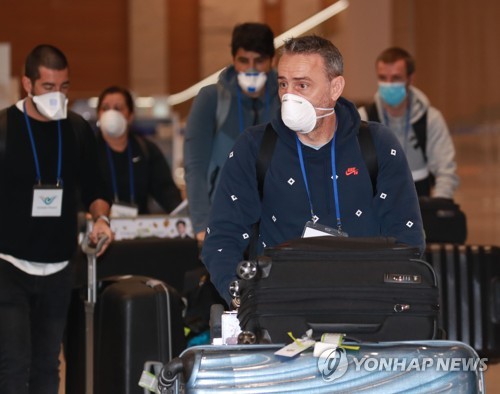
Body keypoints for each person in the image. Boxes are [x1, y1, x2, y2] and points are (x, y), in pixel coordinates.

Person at [201, 35, 425, 305]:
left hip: (365, 307)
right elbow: (224, 235)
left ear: (335, 87)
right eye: (283, 84)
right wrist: (239, 298)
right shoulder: (254, 147)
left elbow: (407, 236)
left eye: (302, 85)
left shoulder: (377, 145)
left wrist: (394, 302)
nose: (289, 97)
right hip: (281, 309)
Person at [0, 44, 113, 393]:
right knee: (14, 366)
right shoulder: (4, 128)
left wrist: (101, 219)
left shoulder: (77, 129)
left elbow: (97, 187)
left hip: (60, 267)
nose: (57, 96)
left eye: (63, 87)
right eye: (48, 87)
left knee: (49, 367)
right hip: (9, 265)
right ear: (27, 84)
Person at [184, 22, 280, 242]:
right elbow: (195, 166)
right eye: (243, 61)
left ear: (272, 61)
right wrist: (202, 225)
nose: (251, 69)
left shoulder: (284, 100)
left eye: (259, 61)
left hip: (275, 224)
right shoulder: (211, 99)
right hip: (224, 222)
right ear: (234, 60)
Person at [358, 47, 459, 198]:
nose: (389, 84)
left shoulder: (430, 119)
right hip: (377, 204)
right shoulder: (363, 119)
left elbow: (446, 171)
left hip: (421, 203)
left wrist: (437, 206)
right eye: (383, 78)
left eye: (396, 78)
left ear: (410, 79)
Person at [95, 86, 182, 217]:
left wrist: (184, 217)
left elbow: (166, 191)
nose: (111, 113)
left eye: (118, 108)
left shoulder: (146, 150)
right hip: (99, 228)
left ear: (130, 116)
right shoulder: (87, 150)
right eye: (105, 108)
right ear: (98, 114)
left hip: (138, 229)